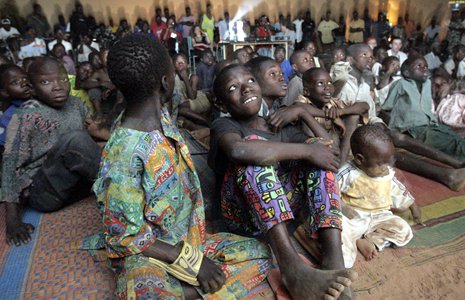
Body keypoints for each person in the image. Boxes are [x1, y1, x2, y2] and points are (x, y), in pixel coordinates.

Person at [91, 33, 272, 299]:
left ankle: (188, 289)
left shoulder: (160, 117)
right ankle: (190, 289)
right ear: (166, 82)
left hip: (191, 237)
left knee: (262, 253)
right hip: (152, 252)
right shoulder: (123, 153)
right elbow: (122, 237)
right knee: (144, 289)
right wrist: (191, 262)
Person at [209, 64, 357, 299]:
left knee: (315, 153)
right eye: (233, 88)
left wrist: (303, 113)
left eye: (249, 81)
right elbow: (238, 149)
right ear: (221, 104)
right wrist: (306, 151)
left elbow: (330, 154)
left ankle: (333, 258)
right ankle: (292, 269)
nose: (246, 90)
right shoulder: (225, 125)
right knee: (255, 152)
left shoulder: (278, 126)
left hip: (284, 214)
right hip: (243, 217)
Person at [2, 57, 101, 246]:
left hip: (74, 184)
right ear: (31, 86)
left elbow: (93, 138)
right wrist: (12, 222)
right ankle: (124, 187)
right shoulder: (27, 114)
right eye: (45, 82)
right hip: (44, 193)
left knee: (102, 143)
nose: (58, 87)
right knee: (76, 139)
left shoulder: (75, 103)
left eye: (63, 79)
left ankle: (116, 183)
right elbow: (9, 165)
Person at [382, 55, 465, 166]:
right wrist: (394, 130)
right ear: (406, 73)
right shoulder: (401, 84)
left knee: (457, 139)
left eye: (426, 66)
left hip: (433, 126)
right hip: (413, 129)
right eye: (419, 66)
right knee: (455, 144)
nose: (424, 69)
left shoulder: (429, 85)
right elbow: (386, 108)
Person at [338, 125, 421, 266]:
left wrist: (413, 206)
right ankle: (344, 260)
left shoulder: (387, 173)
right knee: (339, 230)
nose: (386, 167)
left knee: (404, 230)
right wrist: (344, 209)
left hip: (380, 216)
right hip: (355, 218)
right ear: (360, 159)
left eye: (388, 162)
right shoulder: (348, 173)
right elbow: (330, 191)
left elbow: (397, 189)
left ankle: (371, 242)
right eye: (381, 163)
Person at [0, 64, 32, 149]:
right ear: (5, 92)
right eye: (15, 82)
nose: (24, 83)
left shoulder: (42, 101)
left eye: (25, 78)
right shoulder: (9, 117)